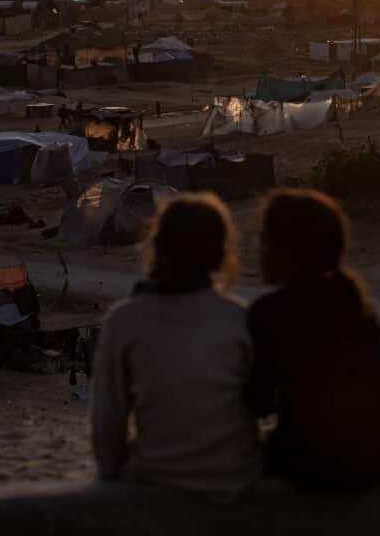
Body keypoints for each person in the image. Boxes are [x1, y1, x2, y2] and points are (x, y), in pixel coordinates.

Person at [90, 193, 261, 502]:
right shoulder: (238, 318)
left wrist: (111, 475)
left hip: (157, 482)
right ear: (220, 252)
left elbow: (107, 423)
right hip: (234, 483)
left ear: (158, 246)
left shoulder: (125, 321)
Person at [247, 189, 380, 494]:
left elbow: (255, 402)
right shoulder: (356, 308)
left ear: (286, 250)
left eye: (266, 241)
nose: (259, 249)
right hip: (369, 463)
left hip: (307, 466)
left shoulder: (270, 312)